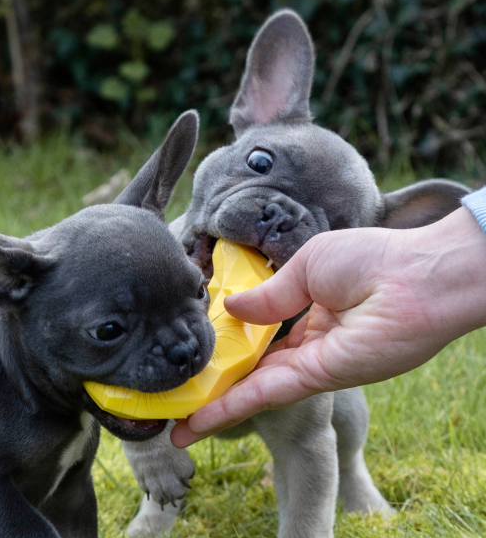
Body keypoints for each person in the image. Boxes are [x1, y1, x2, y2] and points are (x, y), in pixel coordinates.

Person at [171, 188, 486, 448]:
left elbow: (307, 444)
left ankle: (353, 473)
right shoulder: (163, 244)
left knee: (324, 420)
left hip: (301, 340)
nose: (277, 217)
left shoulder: (319, 333)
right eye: (259, 164)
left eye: (335, 224)